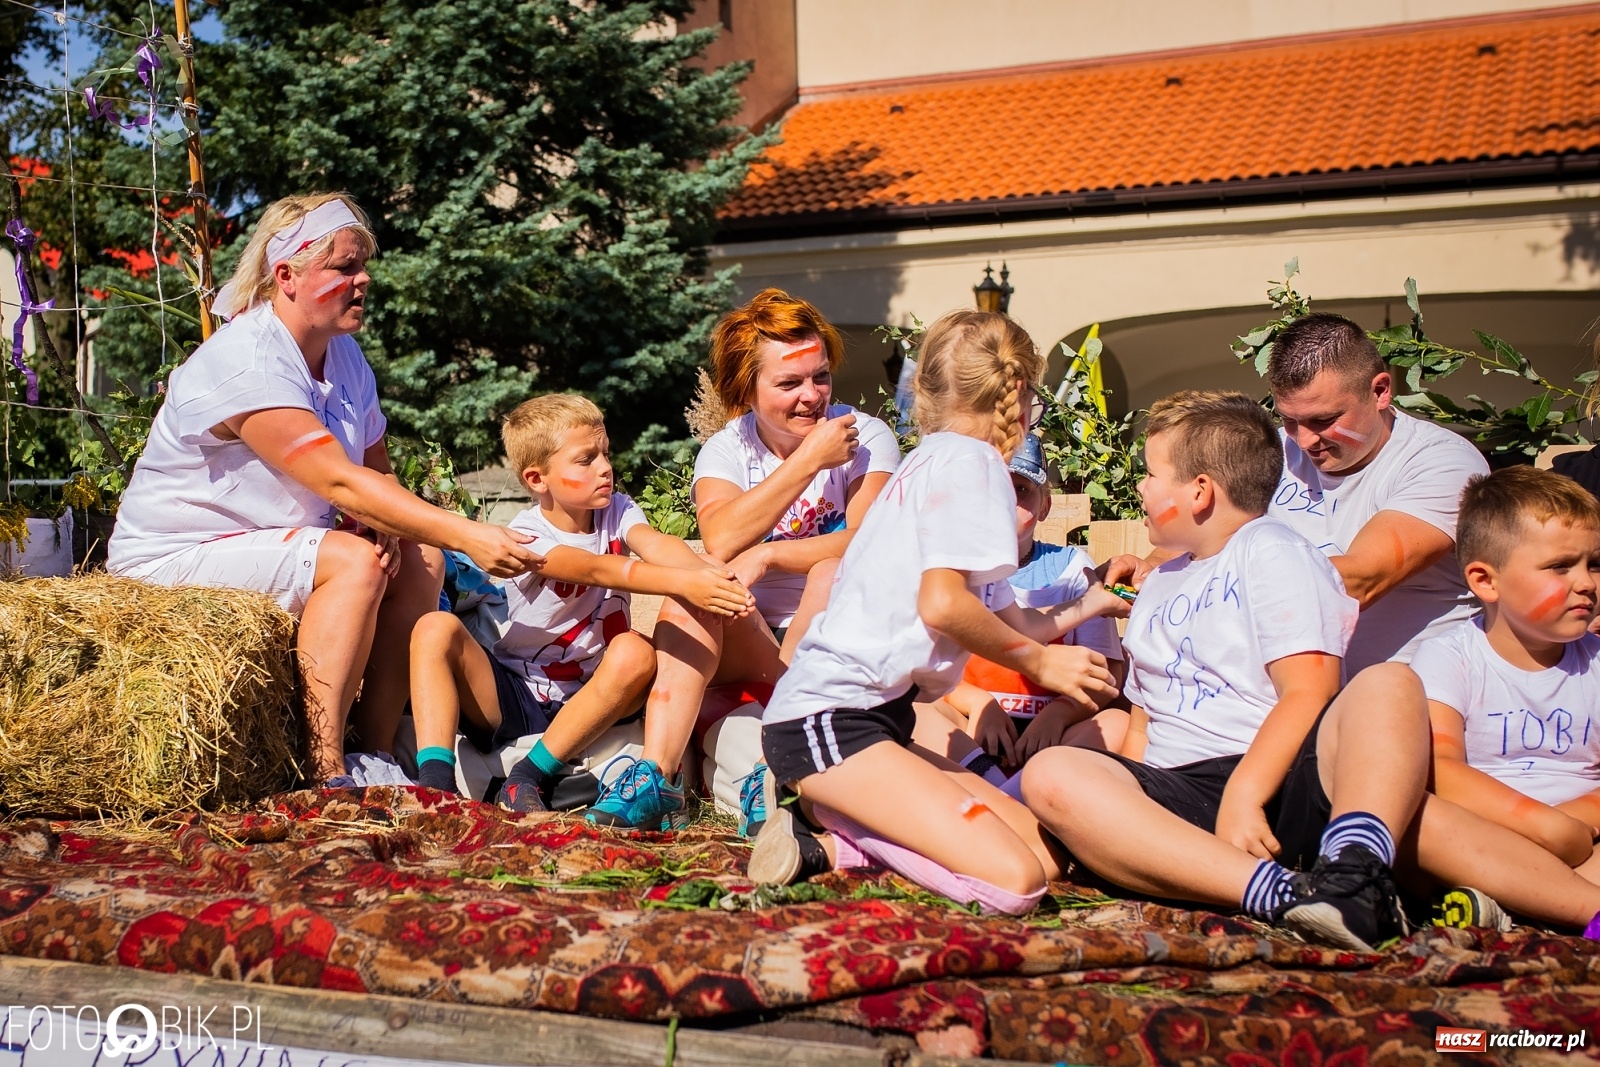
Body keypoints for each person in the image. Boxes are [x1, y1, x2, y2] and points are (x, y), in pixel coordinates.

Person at [1025, 391, 1600, 949]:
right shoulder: (1159, 586)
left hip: (1283, 776)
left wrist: (1247, 793)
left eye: (1151, 474)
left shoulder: (1271, 549)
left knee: (1391, 684)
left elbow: (1311, 688)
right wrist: (1124, 808)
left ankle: (1357, 871)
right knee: (1054, 775)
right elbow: (1145, 722)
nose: (1141, 488)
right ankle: (1292, 895)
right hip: (1184, 788)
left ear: (1200, 491)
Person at [108, 193, 541, 785]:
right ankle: (327, 771)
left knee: (423, 558)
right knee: (357, 564)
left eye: (363, 266)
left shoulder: (345, 356)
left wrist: (387, 522)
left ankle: (378, 752)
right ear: (285, 275)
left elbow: (375, 470)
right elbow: (338, 479)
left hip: (269, 541)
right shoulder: (248, 360)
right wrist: (470, 531)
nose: (362, 280)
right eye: (343, 267)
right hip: (176, 555)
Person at [747, 310, 1124, 915]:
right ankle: (823, 811)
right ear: (1020, 396)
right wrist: (1045, 667)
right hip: (831, 721)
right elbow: (943, 605)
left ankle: (826, 835)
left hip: (878, 719)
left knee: (1046, 854)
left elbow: (1006, 620)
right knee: (1017, 882)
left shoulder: (936, 459)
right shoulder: (972, 467)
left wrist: (1089, 604)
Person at [408, 394, 755, 818]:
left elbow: (655, 544)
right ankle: (435, 789)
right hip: (519, 692)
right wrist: (686, 582)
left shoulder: (618, 509)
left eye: (605, 454)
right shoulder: (528, 534)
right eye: (585, 460)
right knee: (433, 628)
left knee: (635, 651)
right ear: (538, 480)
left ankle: (526, 778)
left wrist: (714, 577)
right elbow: (595, 569)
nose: (605, 468)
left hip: (598, 697)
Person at [670, 289, 902, 834]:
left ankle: (768, 773)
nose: (812, 396)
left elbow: (869, 541)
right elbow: (722, 538)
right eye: (789, 383)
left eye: (820, 377)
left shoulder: (866, 436)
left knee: (828, 572)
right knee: (695, 594)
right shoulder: (727, 449)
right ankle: (668, 777)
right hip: (749, 633)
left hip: (834, 634)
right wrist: (808, 461)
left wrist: (772, 553)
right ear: (745, 391)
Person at [1411, 466, 1600, 899]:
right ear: (1485, 581)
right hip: (1482, 831)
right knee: (1419, 821)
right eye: (1560, 567)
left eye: (1595, 564)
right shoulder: (1450, 657)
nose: (1587, 583)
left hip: (1581, 837)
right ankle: (1567, 905)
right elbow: (1439, 769)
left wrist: (1571, 823)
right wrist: (1540, 825)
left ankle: (1522, 901)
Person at [1264, 312, 1490, 674]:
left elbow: (1356, 581)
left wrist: (1218, 583)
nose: (1304, 440)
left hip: (1421, 698)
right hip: (1288, 696)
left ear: (1380, 391)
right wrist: (1152, 571)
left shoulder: (1443, 461)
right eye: (1290, 420)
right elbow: (1197, 533)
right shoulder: (1272, 453)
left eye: (1323, 420)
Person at [912, 432, 1127, 780]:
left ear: (1045, 506)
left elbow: (1107, 673)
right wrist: (978, 703)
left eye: (1021, 490)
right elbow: (923, 666)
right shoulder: (954, 566)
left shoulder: (1071, 568)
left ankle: (1017, 789)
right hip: (970, 720)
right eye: (995, 490)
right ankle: (999, 787)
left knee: (1115, 723)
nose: (1004, 502)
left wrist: (1058, 715)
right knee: (919, 712)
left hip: (1054, 729)